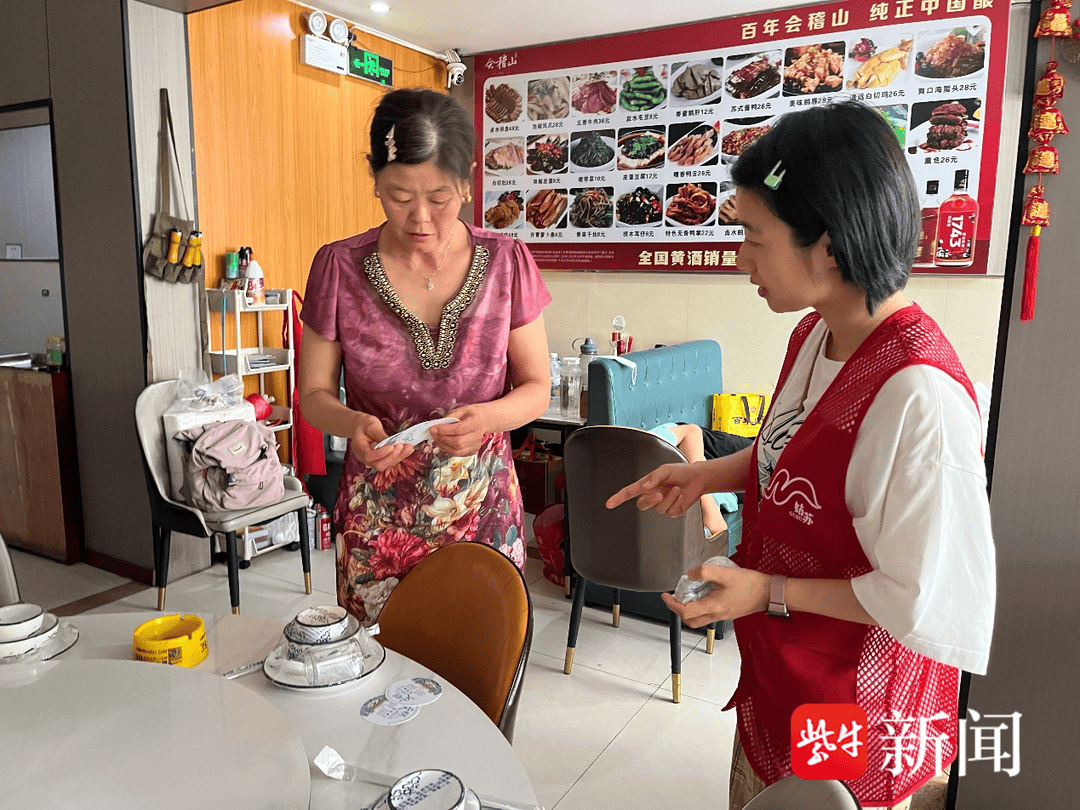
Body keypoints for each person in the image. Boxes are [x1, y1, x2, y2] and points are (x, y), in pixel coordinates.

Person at [606, 101, 995, 810]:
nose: (739, 257)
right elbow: (802, 452)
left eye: (754, 236)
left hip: (853, 699)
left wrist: (765, 592)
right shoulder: (816, 334)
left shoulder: (920, 400)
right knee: (763, 790)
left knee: (816, 800)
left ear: (829, 245)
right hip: (782, 673)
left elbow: (922, 601)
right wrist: (707, 473)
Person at [299, 88, 552, 625]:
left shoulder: (507, 262)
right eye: (397, 195)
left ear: (467, 180)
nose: (419, 217)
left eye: (439, 197)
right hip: (376, 519)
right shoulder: (338, 267)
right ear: (374, 180)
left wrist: (486, 418)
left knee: (476, 672)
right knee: (377, 676)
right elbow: (314, 395)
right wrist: (352, 424)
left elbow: (536, 387)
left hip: (484, 512)